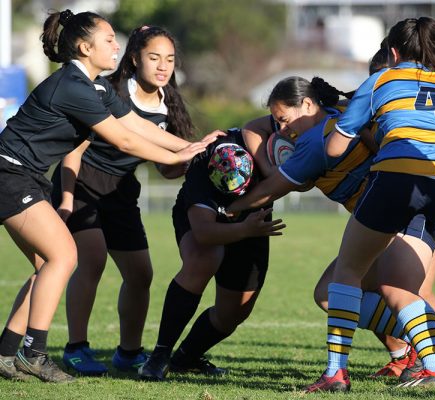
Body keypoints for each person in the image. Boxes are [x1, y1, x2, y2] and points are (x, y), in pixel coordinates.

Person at [0, 10, 216, 382]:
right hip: (10, 174)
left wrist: (195, 147)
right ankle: (34, 354)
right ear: (85, 47)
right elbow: (126, 140)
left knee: (45, 267)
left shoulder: (97, 87)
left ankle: (5, 354)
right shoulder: (73, 85)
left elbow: (133, 124)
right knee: (64, 255)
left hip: (27, 177)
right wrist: (178, 155)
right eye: (109, 41)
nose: (118, 46)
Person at [238, 74, 435, 383]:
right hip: (414, 208)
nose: (281, 129)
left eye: (284, 120)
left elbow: (272, 189)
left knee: (361, 291)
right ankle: (423, 355)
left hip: (396, 218)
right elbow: (254, 127)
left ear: (308, 104)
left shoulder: (315, 142)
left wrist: (230, 208)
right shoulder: (343, 112)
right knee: (384, 291)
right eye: (277, 123)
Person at [45, 25, 203, 375]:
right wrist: (67, 199)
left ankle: (129, 353)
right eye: (154, 57)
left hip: (121, 192)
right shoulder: (108, 91)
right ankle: (75, 348)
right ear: (135, 59)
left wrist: (195, 162)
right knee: (93, 259)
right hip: (81, 182)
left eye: (170, 60)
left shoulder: (168, 107)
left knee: (140, 274)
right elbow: (73, 152)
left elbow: (167, 168)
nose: (163, 66)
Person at [138, 128, 285, 381]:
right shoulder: (201, 171)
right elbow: (204, 232)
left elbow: (271, 118)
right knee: (204, 259)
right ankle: (159, 356)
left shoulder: (263, 147)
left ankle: (186, 357)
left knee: (235, 311)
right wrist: (243, 228)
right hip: (208, 221)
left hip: (252, 225)